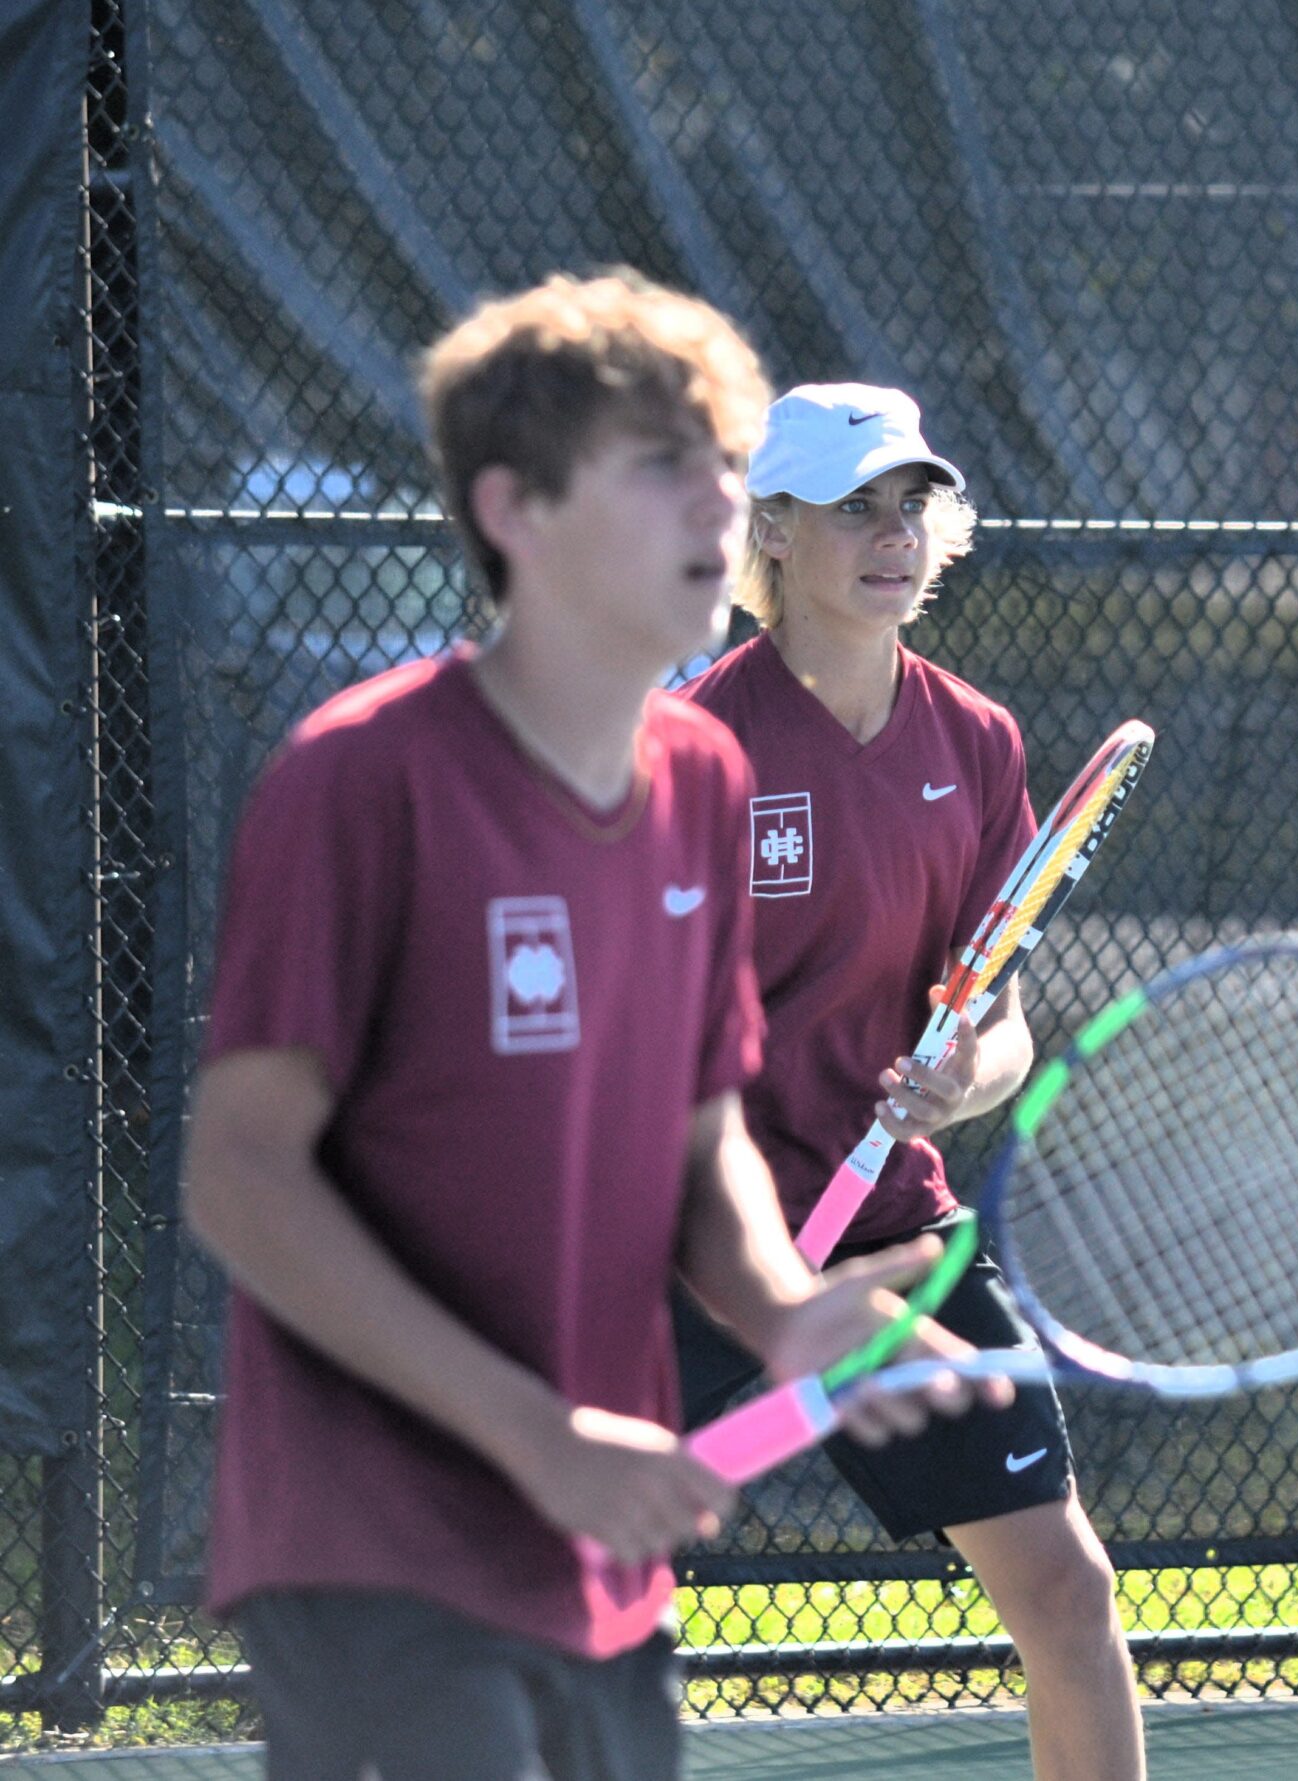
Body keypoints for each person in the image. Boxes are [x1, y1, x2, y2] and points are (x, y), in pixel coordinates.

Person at [183, 276, 1004, 1781]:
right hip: (376, 1544)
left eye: (724, 464)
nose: (718, 500)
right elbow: (239, 1177)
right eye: (663, 467)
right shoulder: (360, 780)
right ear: (517, 511)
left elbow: (696, 1136)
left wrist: (780, 1305)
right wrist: (531, 1428)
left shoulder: (698, 781)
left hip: (596, 1560)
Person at [675, 382, 1146, 1780]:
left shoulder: (977, 742)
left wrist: (961, 1082)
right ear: (771, 526)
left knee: (1067, 1593)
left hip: (894, 1240)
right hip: (692, 1241)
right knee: (564, 1605)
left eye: (912, 504)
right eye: (853, 508)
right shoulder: (693, 749)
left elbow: (993, 1019)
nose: (894, 534)